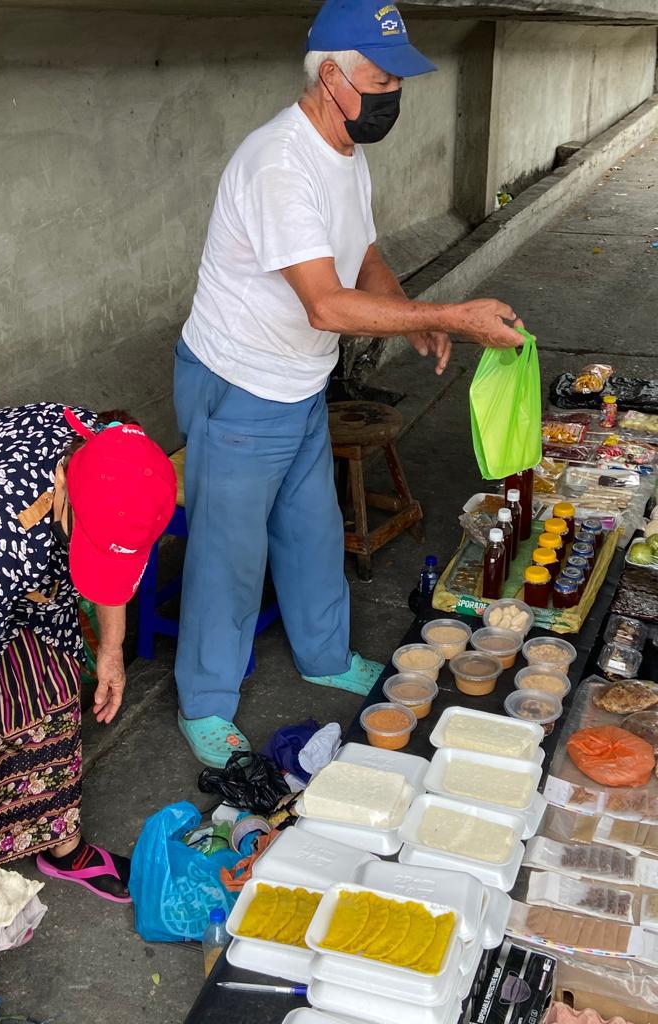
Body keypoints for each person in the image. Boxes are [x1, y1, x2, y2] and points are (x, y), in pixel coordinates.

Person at [173, 0, 526, 767]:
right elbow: (327, 302)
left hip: (298, 379)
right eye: (380, 78)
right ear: (330, 76)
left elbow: (362, 258)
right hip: (240, 383)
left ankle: (325, 656)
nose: (393, 93)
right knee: (228, 554)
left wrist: (408, 311)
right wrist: (452, 315)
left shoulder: (344, 153)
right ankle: (204, 704)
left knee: (312, 528)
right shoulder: (279, 162)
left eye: (399, 78)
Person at [0, 403, 176, 906]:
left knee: (45, 689)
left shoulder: (118, 453)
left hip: (22, 559)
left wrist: (111, 649)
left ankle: (61, 846)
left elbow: (117, 544)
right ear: (61, 486)